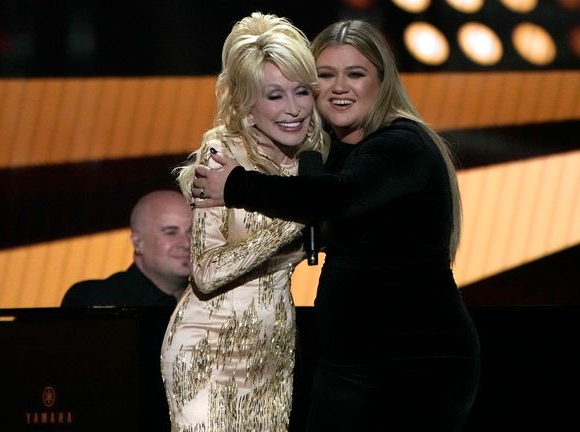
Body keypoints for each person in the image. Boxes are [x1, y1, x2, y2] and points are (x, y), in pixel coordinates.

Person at [193, 19, 481, 431]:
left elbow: (337, 199)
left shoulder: (402, 144)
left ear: (382, 82)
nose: (339, 87)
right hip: (344, 366)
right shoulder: (328, 154)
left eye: (356, 74)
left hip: (418, 365)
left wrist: (237, 184)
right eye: (325, 75)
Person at [159, 12, 328, 431]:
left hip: (272, 350)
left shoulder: (314, 159)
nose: (293, 110)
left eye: (301, 92)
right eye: (274, 96)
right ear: (246, 102)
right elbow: (206, 271)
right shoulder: (222, 156)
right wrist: (300, 214)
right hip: (206, 348)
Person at [61, 190, 192, 308]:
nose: (187, 243)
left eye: (192, 232)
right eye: (171, 232)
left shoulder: (208, 305)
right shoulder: (94, 300)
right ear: (138, 243)